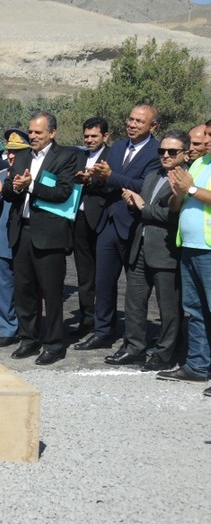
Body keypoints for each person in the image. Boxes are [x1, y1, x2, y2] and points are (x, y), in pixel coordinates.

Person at [75, 104, 162, 351]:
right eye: (130, 119)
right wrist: (91, 180)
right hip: (108, 222)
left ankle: (134, 338)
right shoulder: (119, 147)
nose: (132, 125)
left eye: (139, 121)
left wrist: (110, 176)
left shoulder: (157, 152)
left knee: (135, 289)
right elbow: (106, 182)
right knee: (103, 283)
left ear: (153, 126)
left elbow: (145, 186)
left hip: (134, 225)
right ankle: (103, 332)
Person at [3, 111, 80, 365]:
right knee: (24, 290)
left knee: (51, 292)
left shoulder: (66, 156)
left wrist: (31, 186)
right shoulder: (22, 156)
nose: (32, 136)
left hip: (49, 234)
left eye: (38, 132)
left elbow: (63, 192)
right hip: (21, 230)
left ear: (52, 133)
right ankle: (29, 339)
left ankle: (54, 344)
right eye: (31, 131)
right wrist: (15, 186)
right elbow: (7, 190)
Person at [105, 131, 186, 371]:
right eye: (162, 151)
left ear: (185, 154)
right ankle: (134, 348)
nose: (166, 155)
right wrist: (133, 204)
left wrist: (142, 207)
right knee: (134, 301)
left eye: (172, 151)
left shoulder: (187, 180)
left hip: (165, 250)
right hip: (139, 246)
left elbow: (174, 216)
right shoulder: (153, 176)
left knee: (168, 308)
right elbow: (144, 210)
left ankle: (165, 354)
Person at [157, 139, 211, 395]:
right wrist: (179, 193)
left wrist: (190, 188)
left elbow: (194, 191)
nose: (206, 140)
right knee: (195, 310)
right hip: (189, 246)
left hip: (209, 250)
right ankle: (197, 366)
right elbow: (176, 205)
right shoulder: (200, 163)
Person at [0, 128, 30, 347]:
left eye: (17, 151)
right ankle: (7, 329)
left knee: (26, 286)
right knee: (4, 285)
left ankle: (27, 328)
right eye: (9, 151)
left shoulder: (35, 175)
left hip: (27, 238)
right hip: (4, 237)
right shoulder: (2, 176)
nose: (11, 156)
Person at [72, 117, 110, 336]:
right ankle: (86, 319)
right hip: (79, 218)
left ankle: (104, 321)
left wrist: (91, 181)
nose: (89, 140)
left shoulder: (112, 156)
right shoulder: (79, 156)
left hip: (103, 219)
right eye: (86, 136)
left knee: (104, 274)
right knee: (84, 273)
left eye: (94, 136)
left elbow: (113, 184)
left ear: (105, 136)